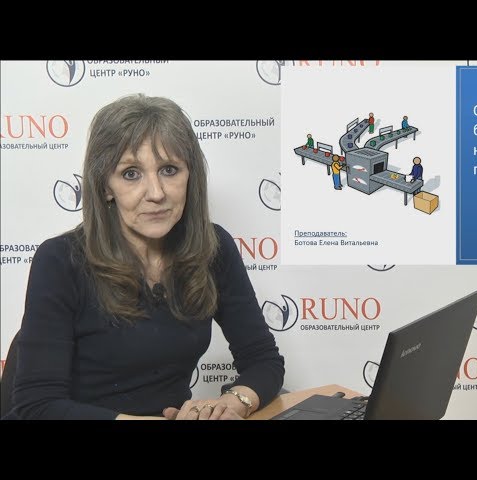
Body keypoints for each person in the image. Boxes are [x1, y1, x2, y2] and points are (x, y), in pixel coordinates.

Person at [4, 94, 285, 420]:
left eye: (169, 170)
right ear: (105, 187)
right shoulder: (59, 260)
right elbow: (37, 406)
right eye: (131, 174)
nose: (156, 193)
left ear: (190, 176)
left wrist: (232, 402)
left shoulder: (213, 247)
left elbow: (263, 360)